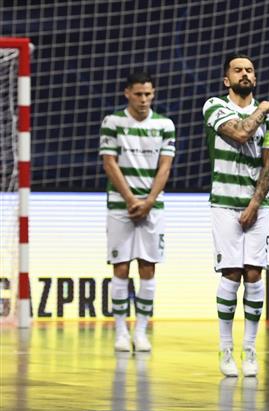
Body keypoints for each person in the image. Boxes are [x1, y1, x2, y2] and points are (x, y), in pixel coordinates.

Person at [202, 53, 269, 377]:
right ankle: (225, 349)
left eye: (250, 70)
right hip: (223, 201)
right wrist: (263, 108)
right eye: (238, 70)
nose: (245, 74)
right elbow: (239, 134)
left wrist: (254, 204)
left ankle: (249, 350)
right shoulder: (215, 107)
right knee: (231, 274)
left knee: (254, 274)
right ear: (227, 80)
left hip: (258, 205)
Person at [100, 71, 176, 353]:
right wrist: (132, 199)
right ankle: (120, 331)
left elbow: (165, 167)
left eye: (148, 94)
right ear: (127, 93)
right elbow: (109, 163)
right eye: (139, 94)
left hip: (152, 208)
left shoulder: (165, 125)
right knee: (120, 267)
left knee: (148, 267)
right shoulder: (113, 122)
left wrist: (148, 202)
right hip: (121, 206)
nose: (144, 100)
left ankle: (141, 331)